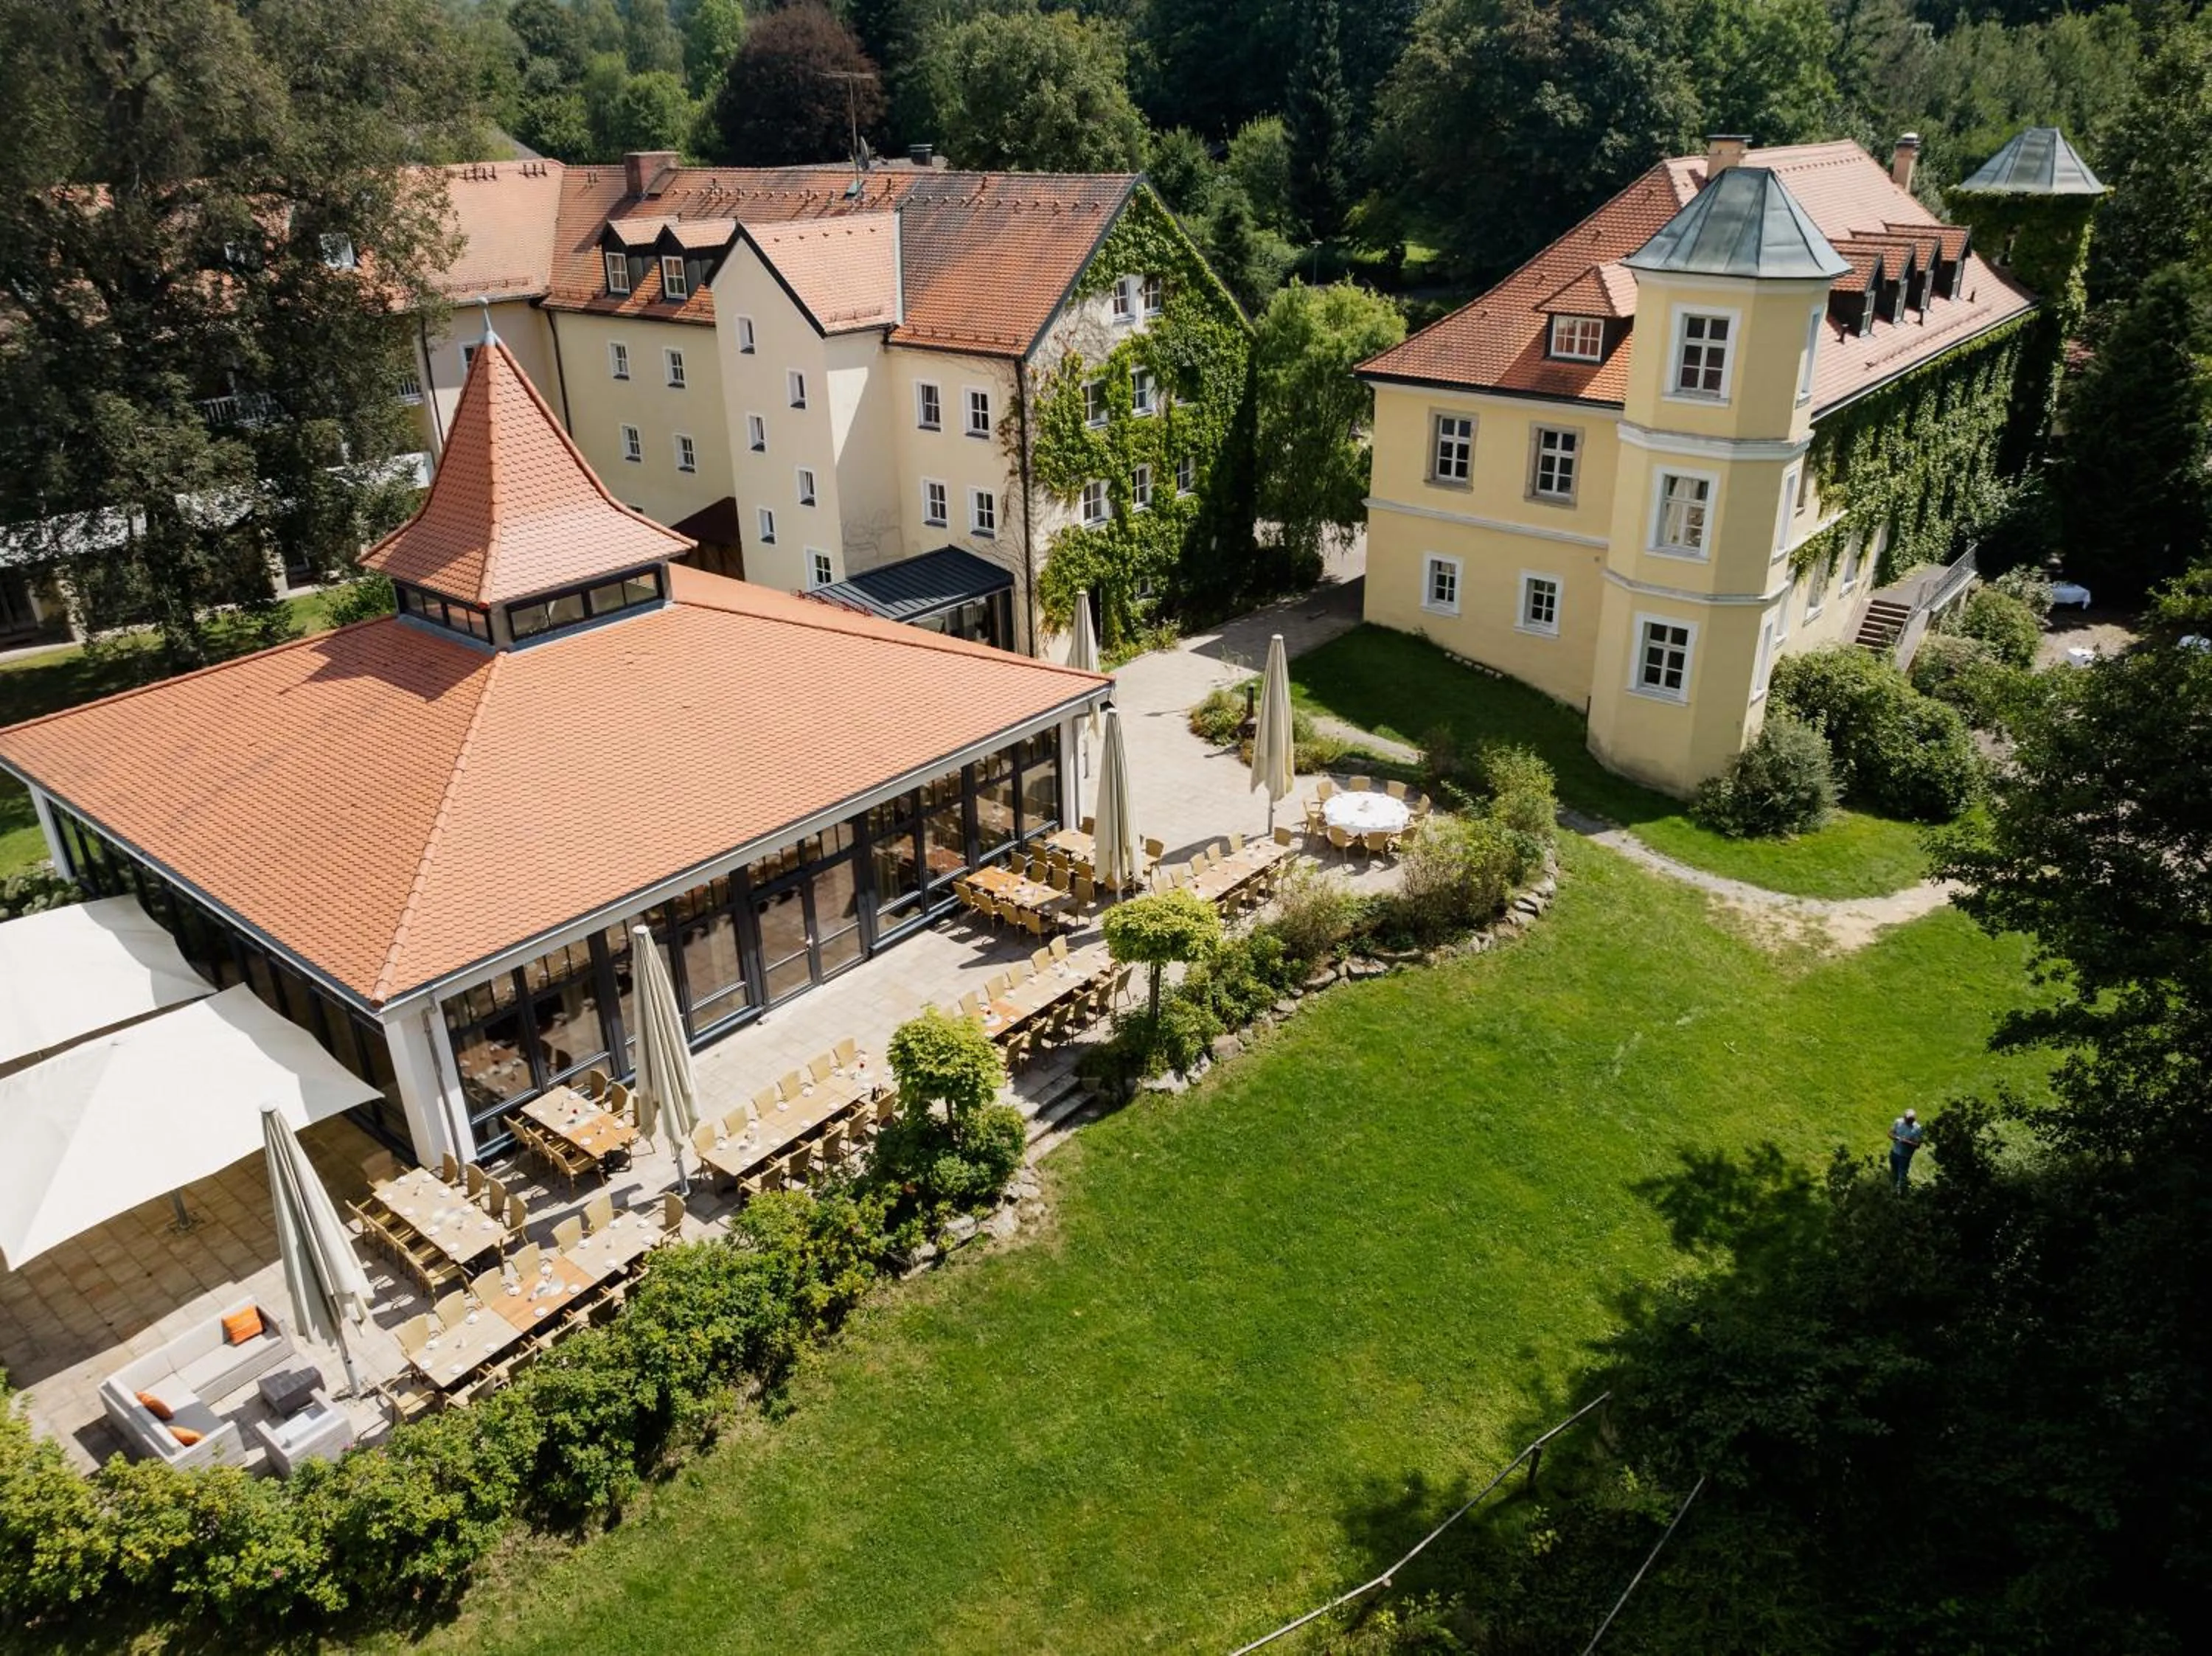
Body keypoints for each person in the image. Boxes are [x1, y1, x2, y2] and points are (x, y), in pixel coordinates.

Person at [1889, 1108, 1924, 1192]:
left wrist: (1907, 1142)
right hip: (1894, 1152)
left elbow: (1918, 1145)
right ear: (1904, 1117)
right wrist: (1897, 1138)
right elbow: (1890, 1133)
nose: (1908, 1121)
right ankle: (1893, 1191)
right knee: (1894, 1173)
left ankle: (1902, 1193)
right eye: (1907, 1119)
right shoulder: (1898, 1122)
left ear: (1914, 1119)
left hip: (1905, 1156)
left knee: (1902, 1176)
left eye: (1910, 1120)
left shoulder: (1917, 1129)